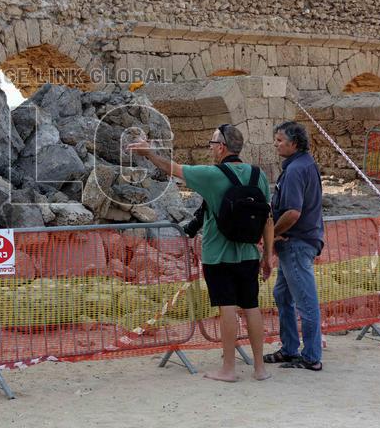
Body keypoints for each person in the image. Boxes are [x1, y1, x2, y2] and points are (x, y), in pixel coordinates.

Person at [128, 124, 274, 382]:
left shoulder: (212, 175)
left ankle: (228, 368)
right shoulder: (257, 175)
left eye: (211, 143)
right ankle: (259, 368)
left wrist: (149, 153)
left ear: (221, 147)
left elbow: (171, 167)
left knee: (227, 308)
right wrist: (267, 256)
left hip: (218, 255)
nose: (210, 148)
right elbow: (268, 220)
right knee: (252, 307)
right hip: (250, 253)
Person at [265, 121, 324, 372]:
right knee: (282, 295)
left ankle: (311, 356)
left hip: (296, 243)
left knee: (305, 302)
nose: (276, 144)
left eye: (280, 140)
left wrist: (272, 235)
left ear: (294, 143)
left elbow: (292, 212)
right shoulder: (303, 165)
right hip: (298, 242)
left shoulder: (296, 170)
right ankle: (290, 348)